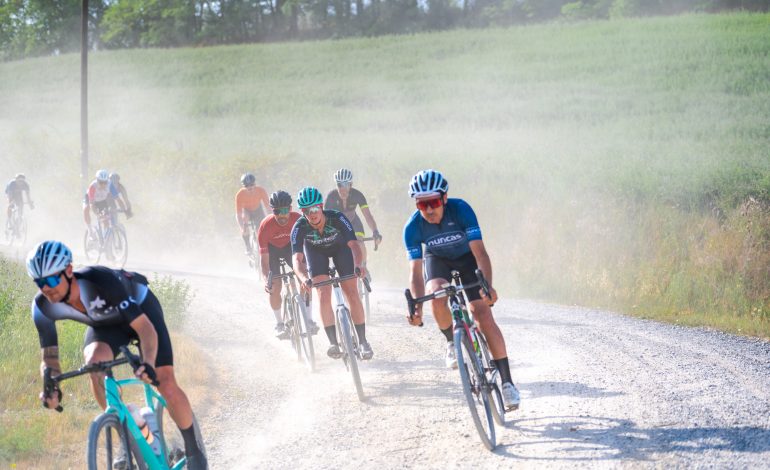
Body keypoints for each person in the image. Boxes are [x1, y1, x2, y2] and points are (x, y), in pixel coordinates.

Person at [27, 241, 207, 469]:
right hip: (106, 325)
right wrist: (50, 385)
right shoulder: (42, 307)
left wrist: (148, 364)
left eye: (52, 279)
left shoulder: (99, 280)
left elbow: (145, 329)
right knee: (94, 365)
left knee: (165, 381)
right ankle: (127, 436)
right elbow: (50, 358)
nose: (46, 287)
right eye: (40, 282)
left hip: (141, 313)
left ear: (69, 271)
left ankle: (194, 451)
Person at [402, 169, 520, 410]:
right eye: (421, 205)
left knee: (482, 314)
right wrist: (416, 306)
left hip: (468, 259)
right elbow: (415, 273)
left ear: (444, 198)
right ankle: (450, 340)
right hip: (438, 260)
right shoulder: (412, 227)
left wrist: (487, 287)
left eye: (433, 202)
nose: (429, 210)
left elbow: (481, 254)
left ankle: (507, 383)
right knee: (437, 294)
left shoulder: (462, 210)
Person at [290, 186, 373, 360]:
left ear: (321, 207)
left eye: (315, 208)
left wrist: (359, 265)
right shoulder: (299, 227)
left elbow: (354, 245)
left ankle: (363, 341)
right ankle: (334, 343)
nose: (312, 214)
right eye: (306, 210)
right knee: (323, 293)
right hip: (315, 253)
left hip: (340, 249)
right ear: (302, 212)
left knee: (351, 292)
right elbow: (297, 260)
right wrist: (304, 278)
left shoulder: (337, 218)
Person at [258, 190, 317, 338]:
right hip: (272, 252)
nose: (282, 215)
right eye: (277, 211)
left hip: (291, 248)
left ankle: (308, 319)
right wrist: (267, 280)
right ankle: (279, 323)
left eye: (285, 210)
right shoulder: (265, 226)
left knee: (304, 279)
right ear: (273, 211)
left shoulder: (298, 219)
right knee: (275, 286)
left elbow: (308, 246)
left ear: (290, 209)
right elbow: (264, 261)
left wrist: (308, 270)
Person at [325, 168, 382, 273]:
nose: (343, 188)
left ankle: (363, 266)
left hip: (354, 222)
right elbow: (325, 219)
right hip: (338, 225)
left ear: (351, 184)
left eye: (346, 185)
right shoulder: (331, 197)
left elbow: (368, 216)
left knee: (359, 242)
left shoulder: (357, 195)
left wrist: (375, 231)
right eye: (339, 185)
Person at [83, 169, 128, 234]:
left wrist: (124, 209)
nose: (103, 185)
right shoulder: (93, 186)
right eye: (101, 182)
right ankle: (90, 231)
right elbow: (92, 204)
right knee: (86, 209)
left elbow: (118, 199)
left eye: (105, 182)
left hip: (101, 201)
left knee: (106, 220)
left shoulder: (110, 185)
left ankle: (106, 240)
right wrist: (97, 214)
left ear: (107, 181)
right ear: (97, 180)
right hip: (90, 199)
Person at [235, 172, 269, 256]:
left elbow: (268, 207)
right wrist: (242, 227)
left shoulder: (261, 190)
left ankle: (265, 246)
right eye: (247, 186)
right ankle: (248, 246)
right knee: (244, 221)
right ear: (243, 186)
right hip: (247, 211)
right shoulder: (239, 195)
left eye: (251, 185)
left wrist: (271, 219)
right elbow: (238, 214)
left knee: (261, 230)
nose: (249, 187)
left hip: (258, 210)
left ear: (255, 183)